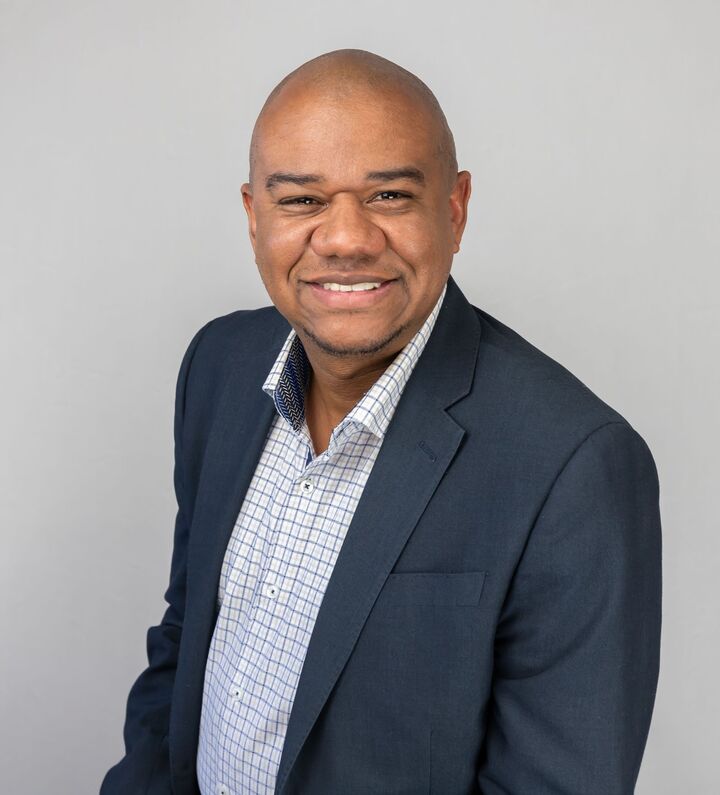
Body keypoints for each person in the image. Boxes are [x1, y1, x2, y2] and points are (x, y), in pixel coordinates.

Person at [101, 49, 662, 795]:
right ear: (253, 215)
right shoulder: (218, 367)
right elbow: (185, 639)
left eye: (390, 195)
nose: (345, 239)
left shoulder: (574, 466)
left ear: (454, 210)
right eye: (301, 200)